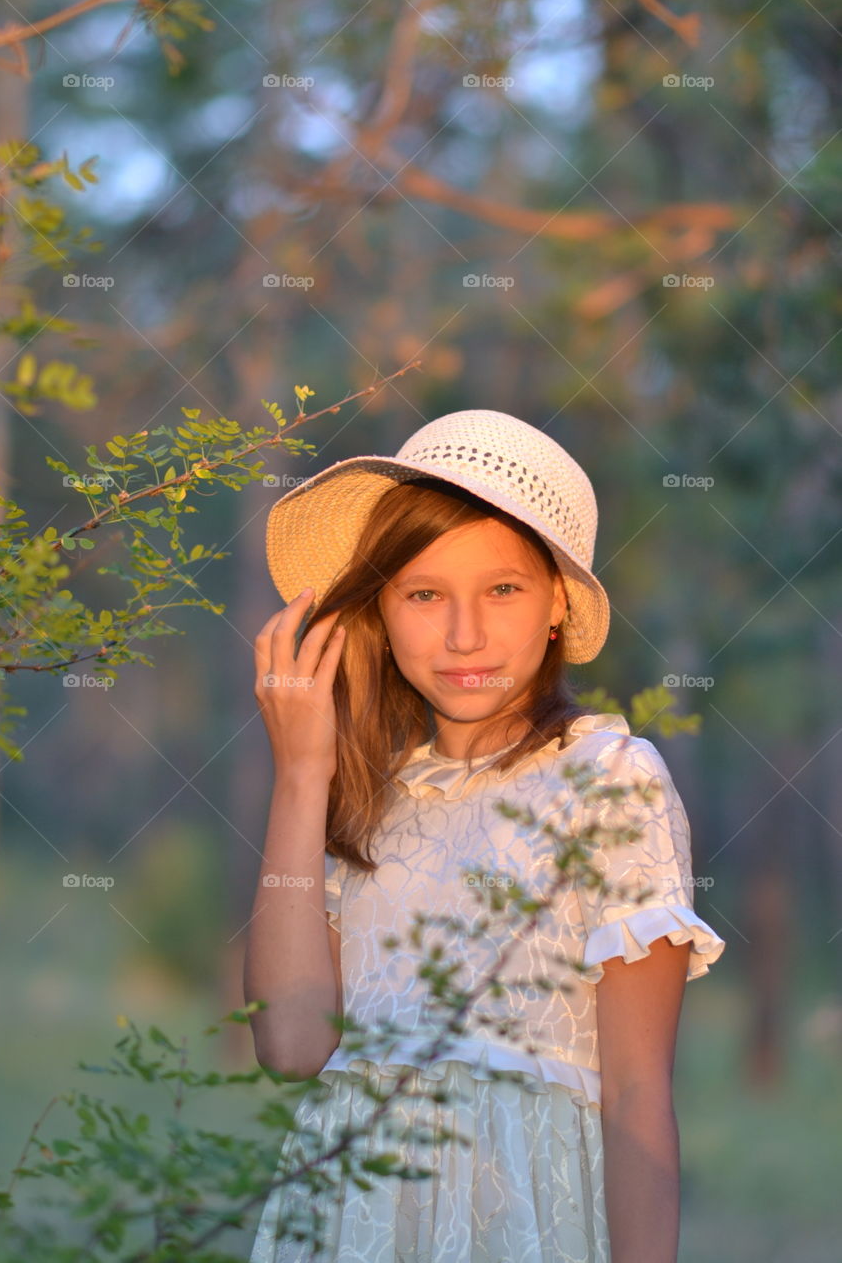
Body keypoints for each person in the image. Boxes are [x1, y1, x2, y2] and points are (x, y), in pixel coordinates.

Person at [245, 408, 726, 1263]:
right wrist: (298, 776)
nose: (463, 635)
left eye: (501, 589)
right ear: (383, 616)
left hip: (524, 1226)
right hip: (351, 1228)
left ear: (556, 606)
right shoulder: (364, 799)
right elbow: (290, 1046)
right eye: (424, 594)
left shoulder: (607, 777)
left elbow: (636, 1091)